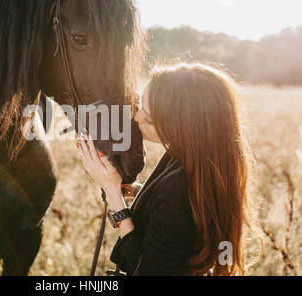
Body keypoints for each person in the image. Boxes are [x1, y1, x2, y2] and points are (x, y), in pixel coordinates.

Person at [77, 63, 255, 275]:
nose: (137, 117)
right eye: (141, 105)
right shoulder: (199, 160)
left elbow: (147, 270)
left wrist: (114, 195)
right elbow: (180, 211)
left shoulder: (178, 188)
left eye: (149, 118)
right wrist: (143, 191)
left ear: (182, 126)